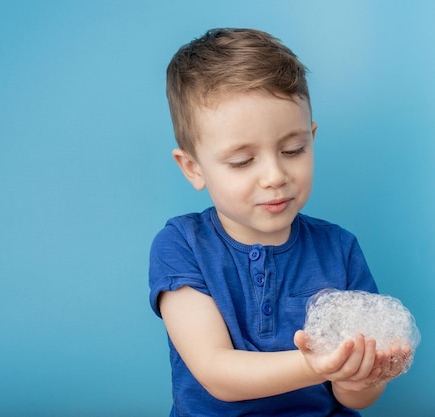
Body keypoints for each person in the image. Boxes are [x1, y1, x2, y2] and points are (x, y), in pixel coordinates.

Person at [148, 28, 411, 416]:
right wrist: (314, 364)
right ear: (193, 167)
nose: (274, 176)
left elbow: (354, 399)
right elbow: (216, 371)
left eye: (293, 149)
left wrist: (359, 377)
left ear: (312, 137)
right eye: (242, 161)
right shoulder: (182, 245)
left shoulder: (339, 249)